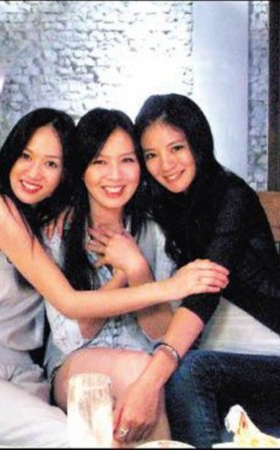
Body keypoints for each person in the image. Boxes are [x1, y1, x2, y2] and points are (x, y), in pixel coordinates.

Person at [0, 107, 229, 447]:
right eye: (26, 156)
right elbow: (71, 308)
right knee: (82, 440)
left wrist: (136, 268)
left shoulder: (55, 222)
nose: (35, 172)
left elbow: (164, 335)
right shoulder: (10, 216)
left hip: (23, 377)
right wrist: (163, 284)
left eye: (51, 164)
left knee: (106, 421)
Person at [98, 93, 280, 448]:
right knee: (174, 374)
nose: (166, 165)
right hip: (213, 366)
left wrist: (148, 381)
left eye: (176, 148)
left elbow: (204, 295)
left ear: (197, 143)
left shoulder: (231, 197)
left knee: (182, 372)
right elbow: (107, 190)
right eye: (151, 155)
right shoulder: (161, 204)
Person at [43, 108, 179, 446]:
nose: (115, 175)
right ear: (82, 169)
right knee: (139, 375)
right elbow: (69, 337)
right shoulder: (57, 235)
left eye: (127, 160)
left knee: (139, 386)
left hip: (143, 362)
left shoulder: (155, 233)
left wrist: (138, 268)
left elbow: (165, 335)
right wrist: (119, 276)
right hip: (76, 366)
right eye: (99, 162)